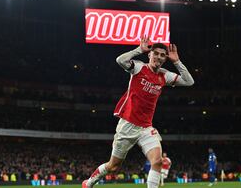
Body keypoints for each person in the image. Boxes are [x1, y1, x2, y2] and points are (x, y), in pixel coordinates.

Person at [82, 36, 194, 188]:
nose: (159, 57)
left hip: (146, 128)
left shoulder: (164, 75)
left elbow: (189, 81)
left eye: (163, 55)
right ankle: (88, 183)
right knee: (113, 166)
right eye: (156, 53)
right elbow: (120, 60)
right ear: (150, 54)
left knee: (157, 161)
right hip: (128, 125)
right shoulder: (139, 67)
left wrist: (177, 62)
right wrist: (139, 50)